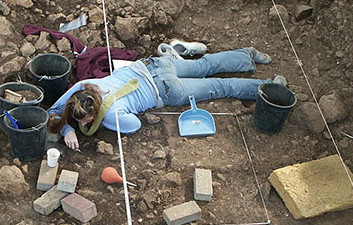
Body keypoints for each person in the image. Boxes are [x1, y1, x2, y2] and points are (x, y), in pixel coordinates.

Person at [48, 41, 286, 150]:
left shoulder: (109, 114)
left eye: (84, 121)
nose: (84, 124)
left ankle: (267, 87)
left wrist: (94, 124)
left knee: (220, 87)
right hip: (155, 66)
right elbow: (57, 110)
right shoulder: (85, 85)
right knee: (204, 65)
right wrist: (68, 128)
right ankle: (246, 55)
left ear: (91, 114)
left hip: (167, 90)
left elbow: (134, 126)